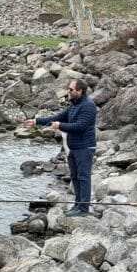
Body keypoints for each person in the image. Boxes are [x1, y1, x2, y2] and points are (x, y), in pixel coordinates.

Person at [25, 78, 97, 216]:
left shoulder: (88, 106)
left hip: (85, 148)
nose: (68, 92)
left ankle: (83, 209)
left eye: (71, 89)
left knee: (83, 177)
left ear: (79, 91)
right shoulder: (73, 104)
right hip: (73, 148)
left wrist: (60, 126)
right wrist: (36, 121)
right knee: (75, 177)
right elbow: (58, 116)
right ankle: (77, 205)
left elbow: (80, 126)